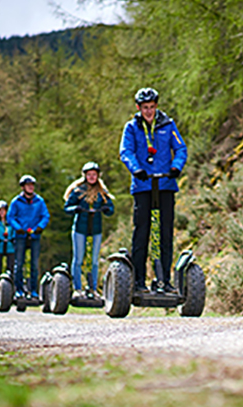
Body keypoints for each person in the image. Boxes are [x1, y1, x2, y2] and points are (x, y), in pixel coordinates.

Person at [119, 87, 187, 292]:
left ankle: (165, 280)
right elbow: (126, 151)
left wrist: (176, 166)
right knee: (142, 233)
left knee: (165, 233)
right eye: (145, 108)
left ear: (156, 106)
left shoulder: (168, 124)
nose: (148, 111)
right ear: (138, 108)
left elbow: (180, 148)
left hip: (165, 185)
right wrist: (136, 169)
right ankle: (138, 281)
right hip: (143, 185)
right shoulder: (132, 127)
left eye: (151, 107)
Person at [63, 161, 115, 298]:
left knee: (94, 261)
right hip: (80, 229)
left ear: (98, 176)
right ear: (85, 176)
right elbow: (67, 207)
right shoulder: (78, 190)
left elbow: (111, 209)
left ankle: (92, 288)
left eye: (94, 174)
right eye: (89, 175)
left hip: (96, 230)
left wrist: (106, 209)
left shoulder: (102, 192)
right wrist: (76, 209)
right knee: (79, 259)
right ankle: (77, 288)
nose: (92, 177)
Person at [7, 175, 50, 298]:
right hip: (20, 236)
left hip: (34, 236)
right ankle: (19, 290)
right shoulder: (16, 202)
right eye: (28, 185)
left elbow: (45, 216)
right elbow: (10, 217)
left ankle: (33, 290)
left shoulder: (39, 201)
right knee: (19, 263)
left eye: (32, 185)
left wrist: (39, 228)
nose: (31, 187)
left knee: (34, 264)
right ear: (23, 187)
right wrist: (18, 228)